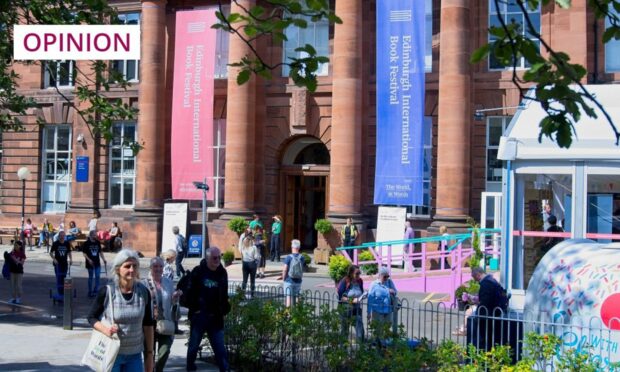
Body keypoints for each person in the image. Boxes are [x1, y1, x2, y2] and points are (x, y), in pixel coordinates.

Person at [87, 249, 155, 372]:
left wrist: (149, 354)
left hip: (135, 355)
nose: (132, 270)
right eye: (127, 266)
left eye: (135, 266)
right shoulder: (107, 291)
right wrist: (106, 330)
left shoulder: (143, 292)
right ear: (118, 269)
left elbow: (148, 324)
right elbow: (91, 317)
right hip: (112, 353)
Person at [186, 247, 230, 372]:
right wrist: (195, 309)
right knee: (193, 347)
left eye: (219, 257)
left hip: (216, 317)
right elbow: (189, 292)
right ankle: (190, 368)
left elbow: (224, 293)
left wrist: (224, 308)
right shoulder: (198, 272)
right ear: (207, 258)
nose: (217, 260)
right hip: (200, 316)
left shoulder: (222, 273)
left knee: (220, 349)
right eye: (214, 258)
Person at [144, 257, 181, 372]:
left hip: (165, 322)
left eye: (160, 266)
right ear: (150, 268)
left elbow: (172, 303)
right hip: (149, 324)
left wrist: (175, 298)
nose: (158, 269)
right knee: (149, 353)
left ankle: (158, 369)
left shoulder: (168, 282)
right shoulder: (144, 283)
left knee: (165, 351)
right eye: (155, 266)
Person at [471, 267, 508, 351]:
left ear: (478, 275)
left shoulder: (486, 283)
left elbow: (486, 302)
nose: (474, 280)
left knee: (486, 337)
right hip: (494, 313)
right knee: (492, 337)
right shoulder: (492, 280)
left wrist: (476, 302)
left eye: (474, 277)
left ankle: (486, 354)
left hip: (488, 315)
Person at [368, 267, 397, 339]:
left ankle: (385, 345)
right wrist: (368, 312)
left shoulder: (389, 282)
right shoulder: (374, 284)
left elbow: (395, 292)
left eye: (388, 276)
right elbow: (370, 298)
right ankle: (379, 345)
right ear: (380, 275)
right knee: (379, 329)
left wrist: (392, 291)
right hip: (377, 310)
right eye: (385, 276)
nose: (387, 278)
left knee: (387, 328)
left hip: (388, 309)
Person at [337, 265, 365, 342]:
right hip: (346, 309)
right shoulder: (345, 281)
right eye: (357, 273)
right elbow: (341, 297)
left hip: (356, 309)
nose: (359, 275)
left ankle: (361, 348)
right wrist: (352, 300)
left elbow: (361, 292)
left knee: (360, 330)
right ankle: (343, 349)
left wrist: (363, 296)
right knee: (345, 330)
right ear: (351, 273)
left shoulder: (360, 281)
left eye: (359, 273)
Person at [82, 230, 107, 297]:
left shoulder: (97, 242)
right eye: (94, 235)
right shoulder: (86, 243)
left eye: (96, 235)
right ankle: (90, 292)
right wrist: (89, 260)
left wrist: (104, 259)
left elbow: (100, 252)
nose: (95, 236)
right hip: (90, 263)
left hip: (97, 262)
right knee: (91, 277)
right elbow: (84, 253)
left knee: (97, 277)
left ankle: (96, 291)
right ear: (91, 235)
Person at [281, 239, 305, 307]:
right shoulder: (302, 257)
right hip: (298, 280)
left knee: (288, 298)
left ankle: (288, 315)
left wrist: (283, 278)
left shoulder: (289, 257)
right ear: (299, 247)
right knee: (297, 297)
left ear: (292, 247)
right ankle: (297, 313)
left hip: (289, 280)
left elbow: (285, 269)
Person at [49, 231, 72, 300]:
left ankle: (64, 293)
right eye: (61, 236)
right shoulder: (56, 243)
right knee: (59, 278)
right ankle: (60, 293)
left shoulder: (67, 243)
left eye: (63, 236)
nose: (62, 237)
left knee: (64, 278)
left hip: (64, 263)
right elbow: (51, 253)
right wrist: (54, 259)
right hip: (58, 264)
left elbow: (69, 252)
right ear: (59, 236)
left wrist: (71, 259)